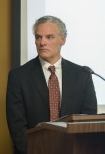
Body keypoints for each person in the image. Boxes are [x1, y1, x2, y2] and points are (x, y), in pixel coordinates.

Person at [6, 15, 97, 153]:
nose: (42, 42)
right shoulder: (18, 76)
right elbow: (17, 127)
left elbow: (89, 119)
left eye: (49, 37)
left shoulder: (82, 74)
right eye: (38, 37)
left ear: (63, 40)